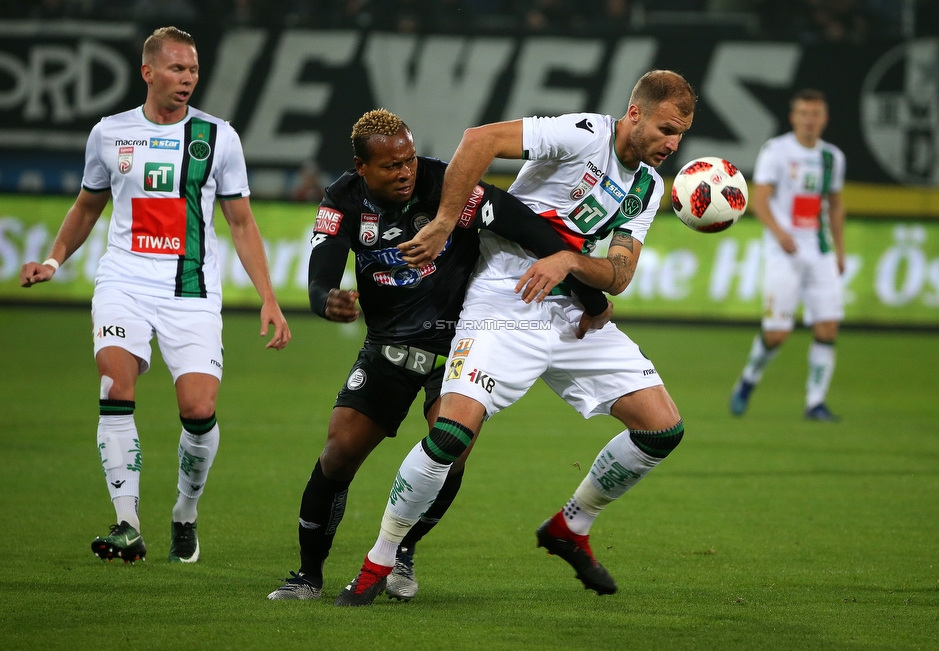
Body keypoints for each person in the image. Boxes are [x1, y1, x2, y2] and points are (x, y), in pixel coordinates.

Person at [334, 70, 696, 606]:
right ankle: (378, 561)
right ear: (635, 113)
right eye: (666, 129)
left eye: (680, 136)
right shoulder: (582, 133)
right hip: (505, 296)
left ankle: (571, 526)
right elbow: (480, 140)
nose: (672, 144)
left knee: (662, 430)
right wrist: (441, 221)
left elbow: (619, 274)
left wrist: (572, 260)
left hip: (573, 313)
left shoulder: (649, 187)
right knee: (451, 437)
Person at [267, 109, 610, 601]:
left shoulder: (449, 187)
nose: (405, 171)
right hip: (387, 346)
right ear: (362, 167)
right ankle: (307, 576)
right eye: (391, 166)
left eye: (408, 159)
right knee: (339, 454)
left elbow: (533, 232)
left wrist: (592, 299)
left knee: (452, 450)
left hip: (457, 346)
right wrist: (326, 300)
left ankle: (401, 554)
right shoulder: (342, 199)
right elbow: (322, 270)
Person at [19, 26, 291, 564]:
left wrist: (268, 296)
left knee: (198, 407)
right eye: (176, 69)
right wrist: (53, 260)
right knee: (115, 383)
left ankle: (185, 512)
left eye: (192, 70)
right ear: (148, 72)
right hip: (124, 281)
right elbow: (87, 206)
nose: (187, 79)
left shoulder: (218, 137)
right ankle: (127, 523)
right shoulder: (109, 133)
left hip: (190, 291)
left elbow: (241, 222)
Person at [729, 88, 846, 421]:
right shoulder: (777, 151)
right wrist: (780, 234)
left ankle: (815, 402)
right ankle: (749, 379)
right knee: (777, 334)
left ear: (824, 119)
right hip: (784, 254)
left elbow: (836, 205)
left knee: (827, 329)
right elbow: (760, 198)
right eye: (804, 113)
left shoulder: (832, 157)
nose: (810, 120)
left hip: (820, 252)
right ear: (794, 117)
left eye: (816, 114)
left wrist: (840, 250)